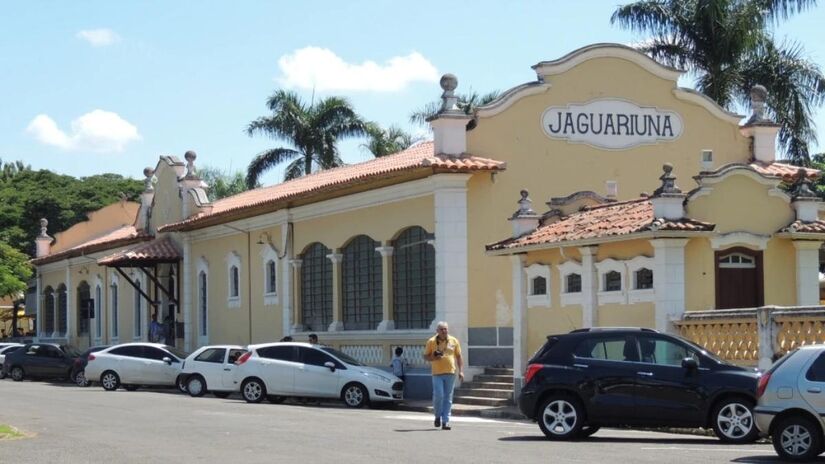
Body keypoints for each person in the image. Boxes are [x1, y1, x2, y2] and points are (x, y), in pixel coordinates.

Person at [423, 321, 463, 430]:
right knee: (438, 395)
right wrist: (434, 357)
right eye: (441, 329)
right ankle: (437, 416)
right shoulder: (431, 341)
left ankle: (445, 421)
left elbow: (459, 356)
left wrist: (461, 371)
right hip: (437, 373)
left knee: (448, 398)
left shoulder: (453, 341)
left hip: (450, 372)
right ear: (437, 331)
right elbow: (425, 356)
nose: (444, 331)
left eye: (445, 329)